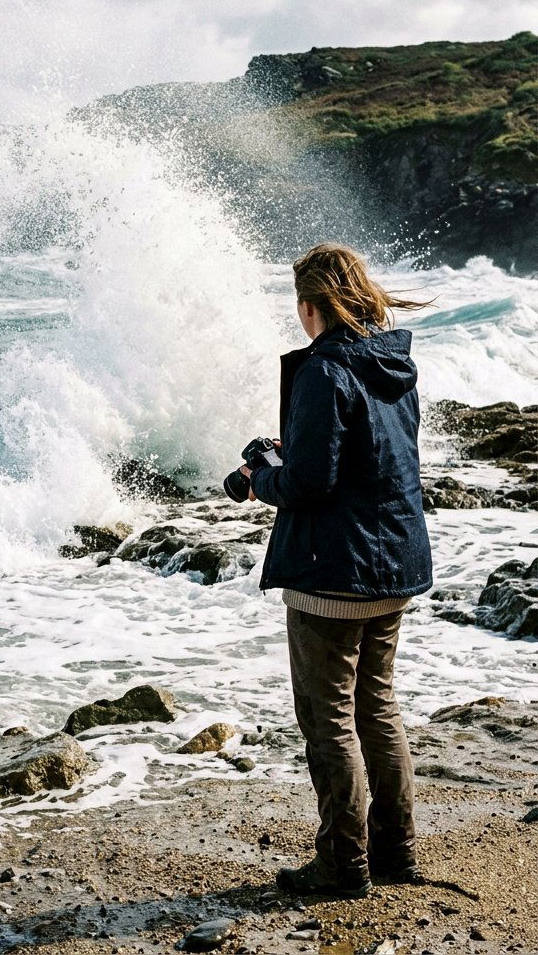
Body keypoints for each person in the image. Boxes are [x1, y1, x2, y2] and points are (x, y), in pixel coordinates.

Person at [240, 243, 433, 900]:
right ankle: (395, 853)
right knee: (376, 709)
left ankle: (343, 865)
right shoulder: (391, 360)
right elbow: (370, 457)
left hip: (335, 574)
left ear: (310, 305)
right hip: (395, 562)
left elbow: (308, 483)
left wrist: (260, 475)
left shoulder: (325, 372)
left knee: (329, 722)